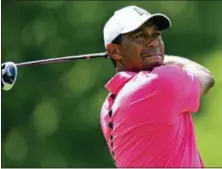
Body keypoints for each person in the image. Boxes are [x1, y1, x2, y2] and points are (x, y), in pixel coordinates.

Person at [100, 5, 215, 167]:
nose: (153, 42)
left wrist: (151, 55)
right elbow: (206, 77)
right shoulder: (157, 83)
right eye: (139, 36)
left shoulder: (108, 105)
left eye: (156, 34)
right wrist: (160, 57)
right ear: (114, 51)